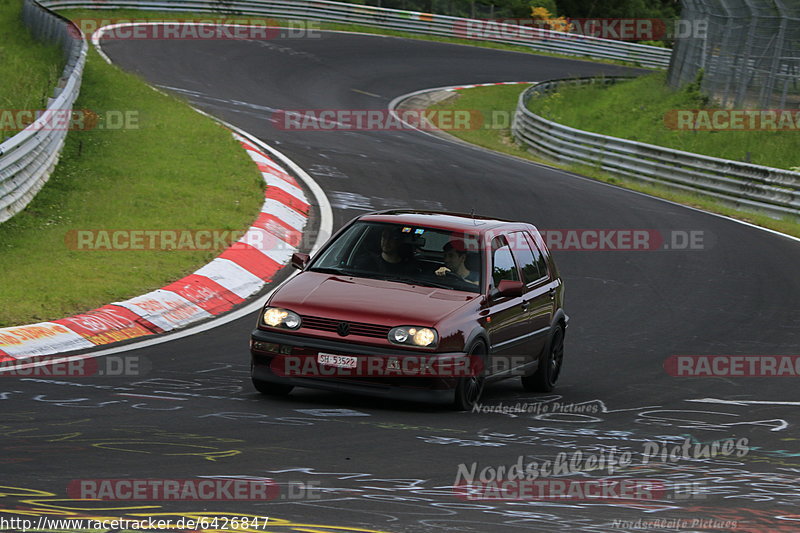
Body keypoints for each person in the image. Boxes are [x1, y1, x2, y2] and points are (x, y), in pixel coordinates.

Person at [355, 226, 419, 276]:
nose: (386, 241)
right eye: (384, 237)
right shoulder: (367, 263)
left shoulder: (409, 268)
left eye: (392, 238)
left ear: (399, 241)